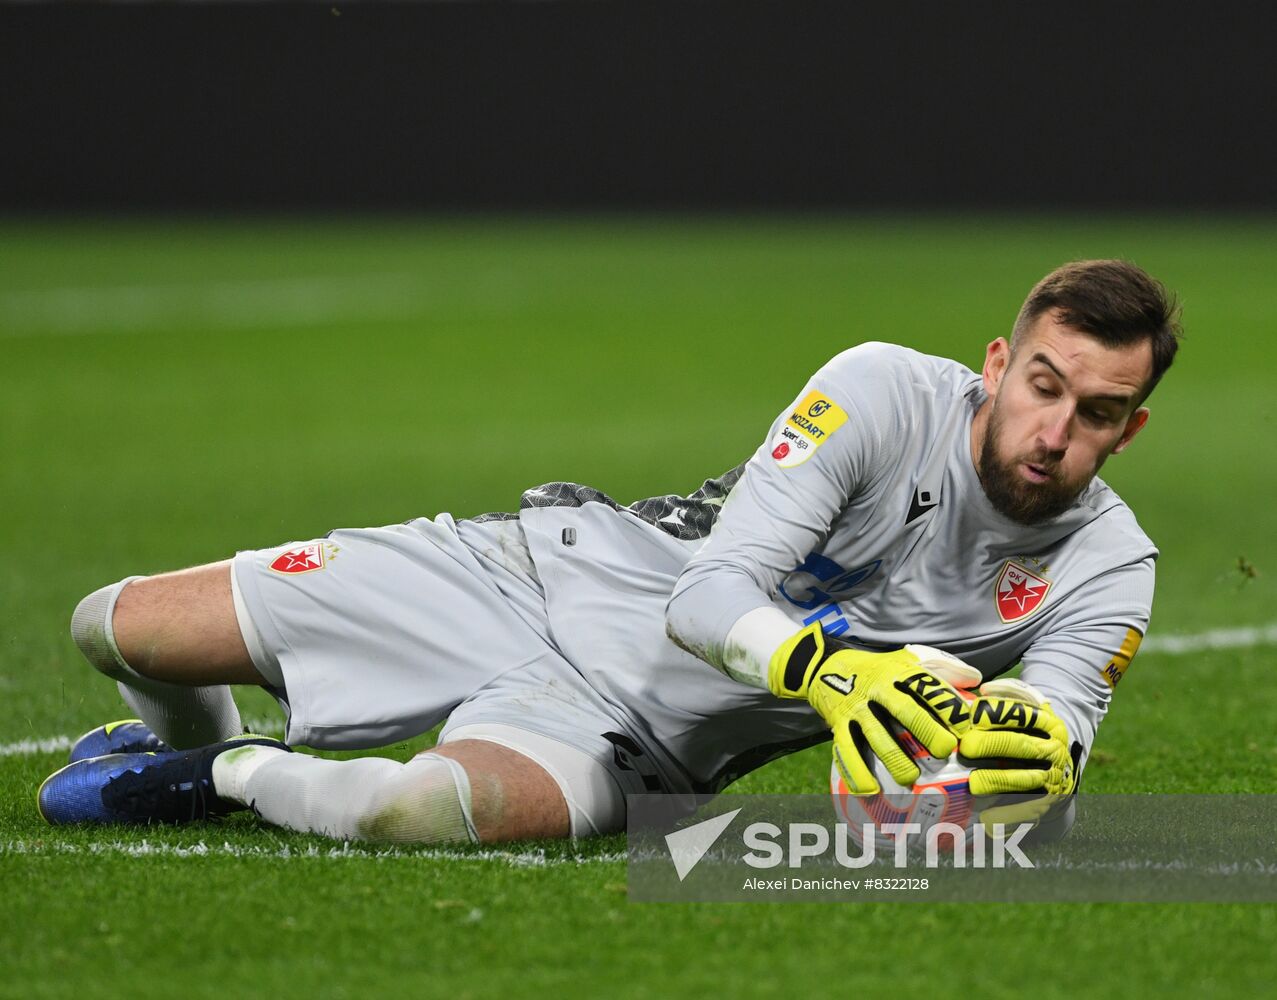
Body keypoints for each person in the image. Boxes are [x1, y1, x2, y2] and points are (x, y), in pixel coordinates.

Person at [39, 259, 1180, 845]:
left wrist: (999, 766)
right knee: (116, 624)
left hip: (641, 730)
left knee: (407, 816)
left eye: (1094, 412)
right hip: (542, 576)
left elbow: (1055, 728)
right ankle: (173, 738)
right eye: (1042, 386)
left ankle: (222, 778)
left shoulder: (1108, 566)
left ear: (1128, 428)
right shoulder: (880, 388)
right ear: (997, 360)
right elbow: (705, 595)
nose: (1052, 431)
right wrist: (839, 673)